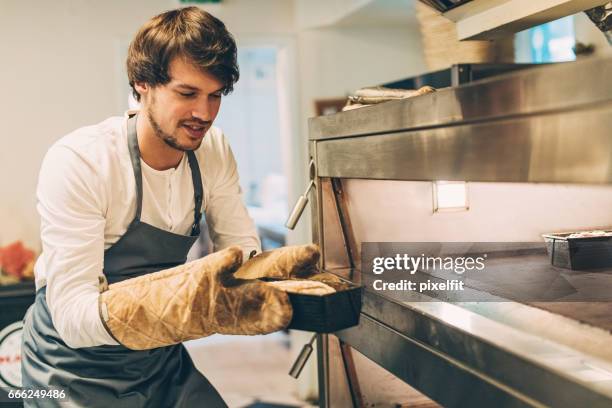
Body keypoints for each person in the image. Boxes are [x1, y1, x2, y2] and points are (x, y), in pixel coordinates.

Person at [19, 7, 314, 408]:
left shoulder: (213, 149)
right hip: (70, 366)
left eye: (215, 96)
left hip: (157, 358)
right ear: (143, 84)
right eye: (188, 94)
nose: (205, 114)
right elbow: (73, 318)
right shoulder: (81, 160)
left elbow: (242, 249)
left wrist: (271, 283)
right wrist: (192, 309)